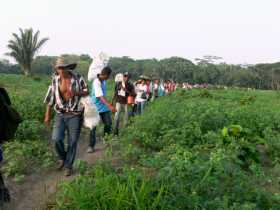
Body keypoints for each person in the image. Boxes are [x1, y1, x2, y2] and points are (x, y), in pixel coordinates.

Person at [44, 58, 88, 176]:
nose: (61, 70)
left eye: (64, 68)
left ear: (68, 67)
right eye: (59, 68)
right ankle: (63, 158)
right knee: (56, 139)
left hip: (75, 114)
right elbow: (50, 98)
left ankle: (69, 166)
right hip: (60, 114)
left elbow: (87, 91)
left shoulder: (78, 78)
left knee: (72, 141)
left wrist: (75, 93)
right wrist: (47, 114)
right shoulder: (55, 80)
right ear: (56, 69)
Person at [87, 66, 116, 153]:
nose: (108, 78)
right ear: (105, 75)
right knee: (93, 127)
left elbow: (103, 95)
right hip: (95, 107)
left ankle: (106, 140)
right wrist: (110, 106)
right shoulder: (96, 82)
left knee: (108, 124)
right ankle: (91, 146)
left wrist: (108, 105)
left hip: (103, 107)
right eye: (108, 76)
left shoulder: (103, 81)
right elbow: (100, 96)